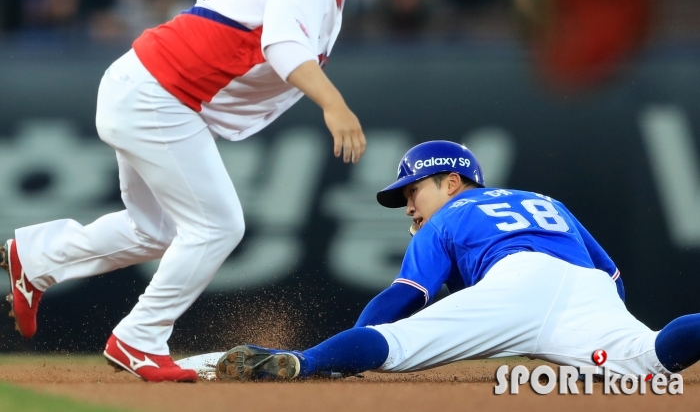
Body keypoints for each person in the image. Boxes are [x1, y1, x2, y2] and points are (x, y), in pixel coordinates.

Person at [0, 0, 468, 383]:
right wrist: (332, 104)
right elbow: (281, 45)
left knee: (155, 229)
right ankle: (139, 338)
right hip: (159, 92)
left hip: (150, 85)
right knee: (218, 225)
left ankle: (37, 258)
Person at [206, 140, 700, 382]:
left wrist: (346, 358)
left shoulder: (448, 216)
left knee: (393, 344)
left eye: (413, 190)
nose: (409, 207)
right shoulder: (546, 200)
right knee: (655, 359)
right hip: (586, 290)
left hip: (513, 283)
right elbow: (612, 278)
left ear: (451, 182)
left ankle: (304, 362)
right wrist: (584, 328)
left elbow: (403, 296)